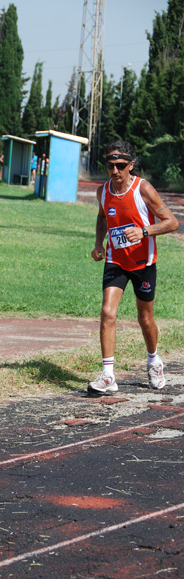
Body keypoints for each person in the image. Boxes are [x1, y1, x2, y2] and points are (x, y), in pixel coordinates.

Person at [88, 140, 178, 395]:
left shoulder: (143, 189)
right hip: (116, 260)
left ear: (131, 165)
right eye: (110, 165)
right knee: (107, 312)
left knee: (145, 318)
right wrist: (98, 243)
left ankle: (154, 360)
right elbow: (102, 217)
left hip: (143, 263)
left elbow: (172, 223)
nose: (114, 171)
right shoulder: (102, 191)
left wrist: (144, 231)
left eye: (120, 165)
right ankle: (108, 376)